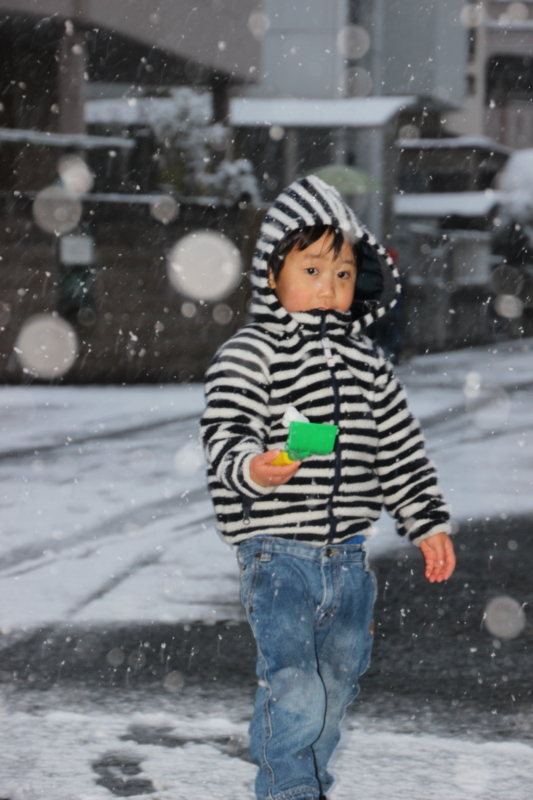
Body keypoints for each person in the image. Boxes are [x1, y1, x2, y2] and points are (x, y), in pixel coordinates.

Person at [200, 176, 455, 800]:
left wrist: (426, 520)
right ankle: (289, 791)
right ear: (271, 275)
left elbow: (400, 448)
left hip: (347, 559)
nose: (329, 286)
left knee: (337, 684)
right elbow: (223, 432)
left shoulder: (369, 365)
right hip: (276, 554)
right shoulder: (250, 354)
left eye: (343, 274)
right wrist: (255, 466)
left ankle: (309, 777)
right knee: (294, 684)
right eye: (312, 268)